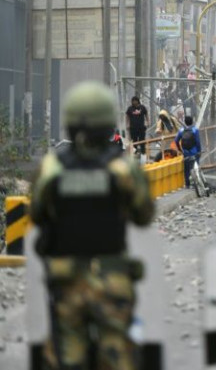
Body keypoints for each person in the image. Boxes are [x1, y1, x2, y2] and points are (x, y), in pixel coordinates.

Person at [30, 81, 154, 369]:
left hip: (65, 281)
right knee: (119, 356)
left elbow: (36, 214)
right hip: (112, 280)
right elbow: (144, 215)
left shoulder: (52, 169)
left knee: (65, 356)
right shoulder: (123, 170)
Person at [176, 116, 202, 188]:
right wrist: (199, 151)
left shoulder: (181, 130)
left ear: (185, 122)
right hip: (194, 152)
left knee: (186, 168)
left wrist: (180, 149)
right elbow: (197, 142)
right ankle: (196, 183)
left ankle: (187, 184)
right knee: (195, 166)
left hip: (186, 152)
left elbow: (176, 141)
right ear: (192, 122)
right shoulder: (195, 130)